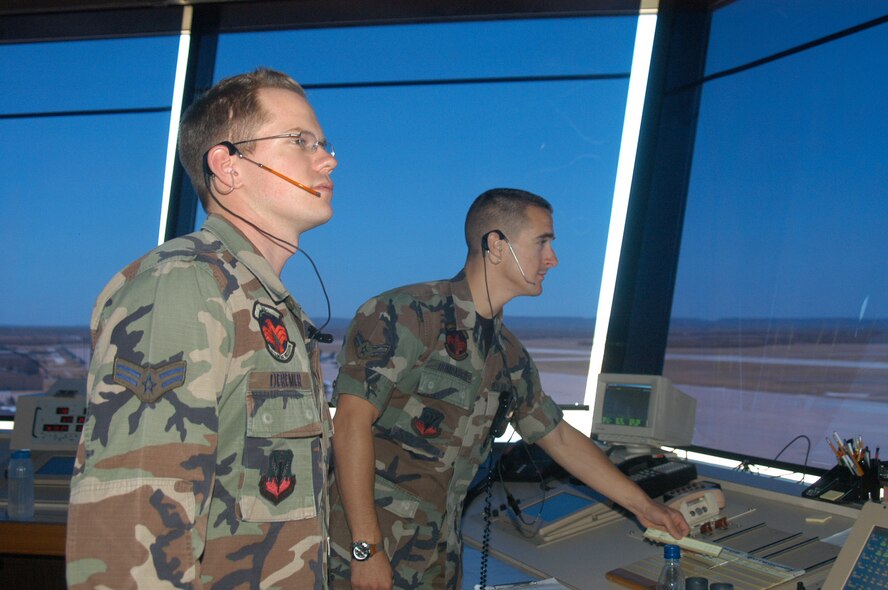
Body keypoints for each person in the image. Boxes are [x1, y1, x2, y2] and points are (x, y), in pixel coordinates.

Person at [328, 188, 689, 589]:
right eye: (542, 242)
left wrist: (644, 506)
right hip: (364, 550)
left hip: (438, 557)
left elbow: (559, 437)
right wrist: (367, 548)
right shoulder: (405, 315)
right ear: (497, 245)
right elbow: (350, 424)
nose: (552, 258)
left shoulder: (509, 355)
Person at [65, 68, 338, 589]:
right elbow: (133, 528)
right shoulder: (182, 287)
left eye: (323, 144)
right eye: (300, 141)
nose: (327, 159)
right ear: (228, 165)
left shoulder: (260, 302)